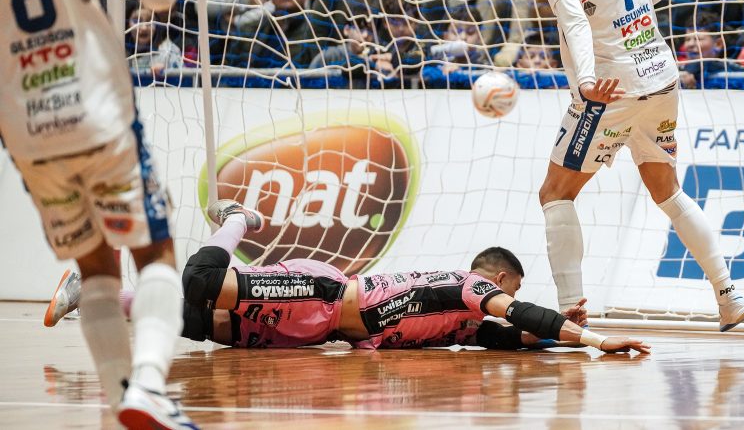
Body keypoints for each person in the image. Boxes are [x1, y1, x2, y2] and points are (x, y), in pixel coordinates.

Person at [0, 0, 195, 429]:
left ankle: (122, 405)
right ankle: (147, 388)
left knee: (92, 267)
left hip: (27, 135)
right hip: (99, 116)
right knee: (154, 254)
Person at [508, 0, 744, 331]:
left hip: (609, 90)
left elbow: (575, 19)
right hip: (660, 74)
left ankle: (572, 311)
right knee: (668, 191)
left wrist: (584, 82)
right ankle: (728, 294)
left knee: (555, 193)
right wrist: (628, 20)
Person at [47, 201, 651, 354]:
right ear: (491, 276)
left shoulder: (464, 325)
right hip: (324, 291)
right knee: (204, 284)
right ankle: (235, 221)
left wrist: (558, 335)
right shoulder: (468, 287)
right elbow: (514, 314)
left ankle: (94, 294)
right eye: (505, 290)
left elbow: (516, 337)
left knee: (201, 325)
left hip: (321, 333)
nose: (501, 302)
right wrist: (597, 341)